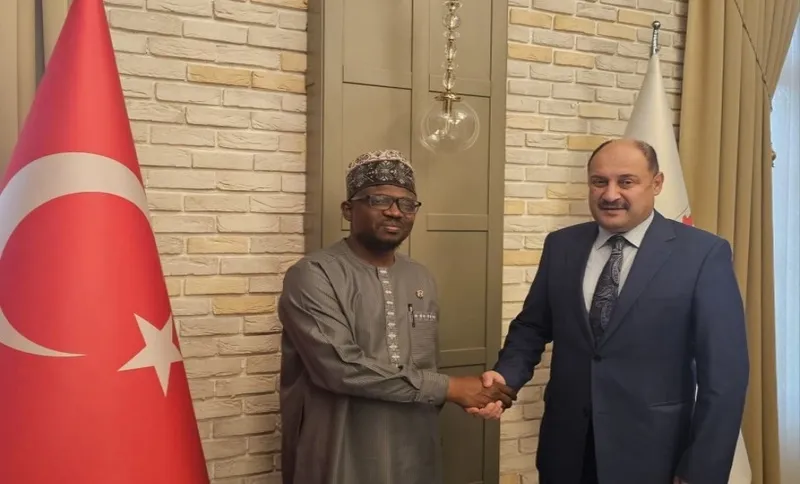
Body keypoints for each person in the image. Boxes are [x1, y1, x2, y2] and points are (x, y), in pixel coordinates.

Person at [470, 139, 749, 484]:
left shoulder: (703, 254)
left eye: (626, 182)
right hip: (567, 452)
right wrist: (506, 378)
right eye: (599, 182)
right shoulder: (562, 245)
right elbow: (532, 327)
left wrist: (702, 470)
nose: (610, 194)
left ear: (657, 183)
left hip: (654, 457)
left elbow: (725, 377)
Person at [278, 149, 517, 484]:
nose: (395, 211)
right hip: (341, 445)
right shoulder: (313, 275)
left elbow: (426, 365)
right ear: (348, 209)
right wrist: (452, 388)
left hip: (413, 447)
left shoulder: (420, 277)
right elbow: (339, 367)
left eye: (407, 204)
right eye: (379, 200)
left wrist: (476, 396)